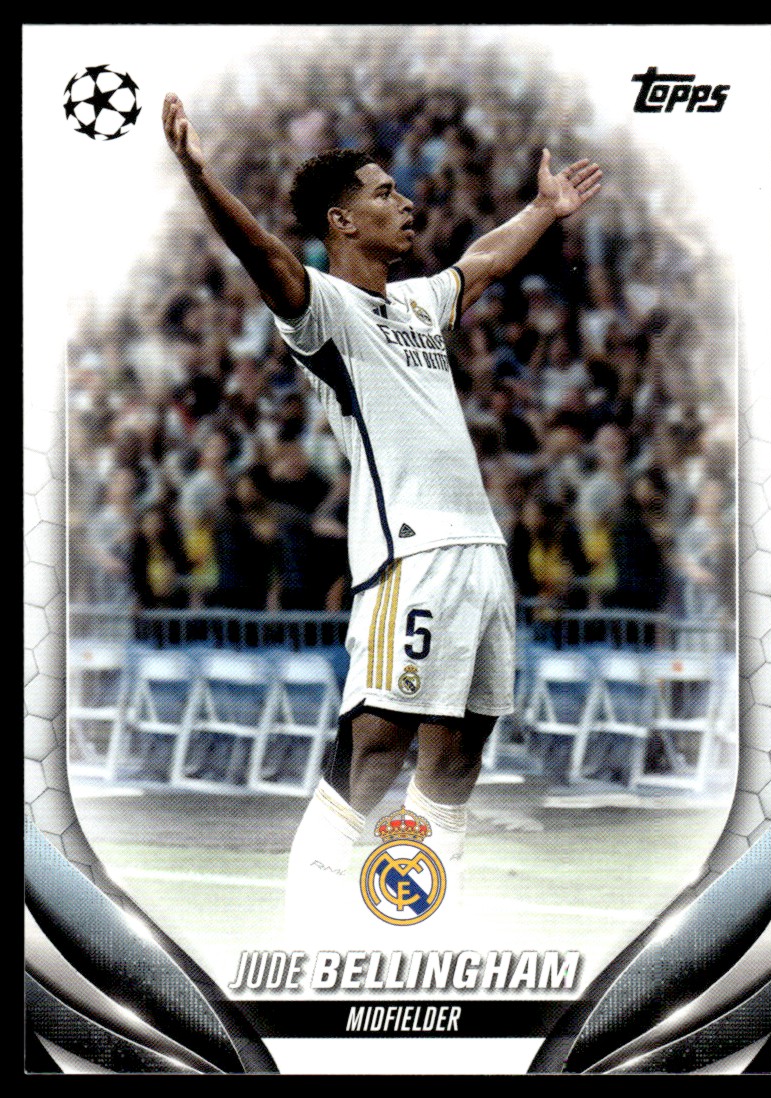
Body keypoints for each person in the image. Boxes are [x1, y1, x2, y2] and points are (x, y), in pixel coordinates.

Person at [162, 93, 601, 930]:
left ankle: (427, 932)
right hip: (411, 554)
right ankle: (305, 934)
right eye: (385, 193)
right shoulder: (322, 308)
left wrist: (543, 211)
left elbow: (483, 260)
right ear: (342, 220)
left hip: (481, 552)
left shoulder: (420, 303)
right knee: (375, 750)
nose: (406, 203)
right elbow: (260, 251)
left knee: (458, 762)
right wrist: (199, 174)